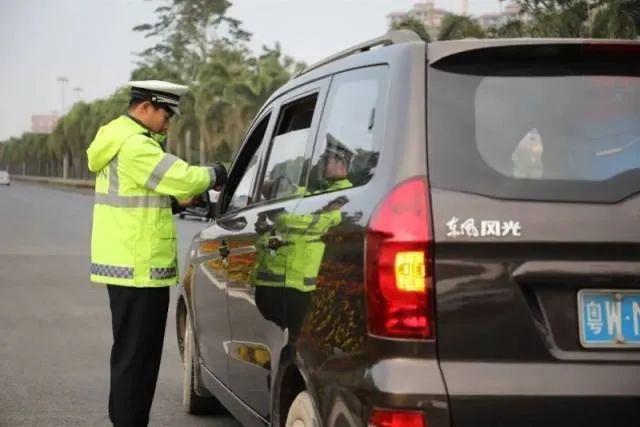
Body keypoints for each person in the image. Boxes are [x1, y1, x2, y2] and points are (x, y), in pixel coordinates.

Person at [86, 80, 227, 426]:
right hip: (138, 267)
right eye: (166, 113)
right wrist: (221, 172)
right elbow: (185, 178)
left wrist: (171, 202)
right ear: (145, 107)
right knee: (137, 358)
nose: (168, 122)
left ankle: (127, 420)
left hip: (125, 263)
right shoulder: (135, 145)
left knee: (131, 355)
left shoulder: (117, 138)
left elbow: (144, 195)